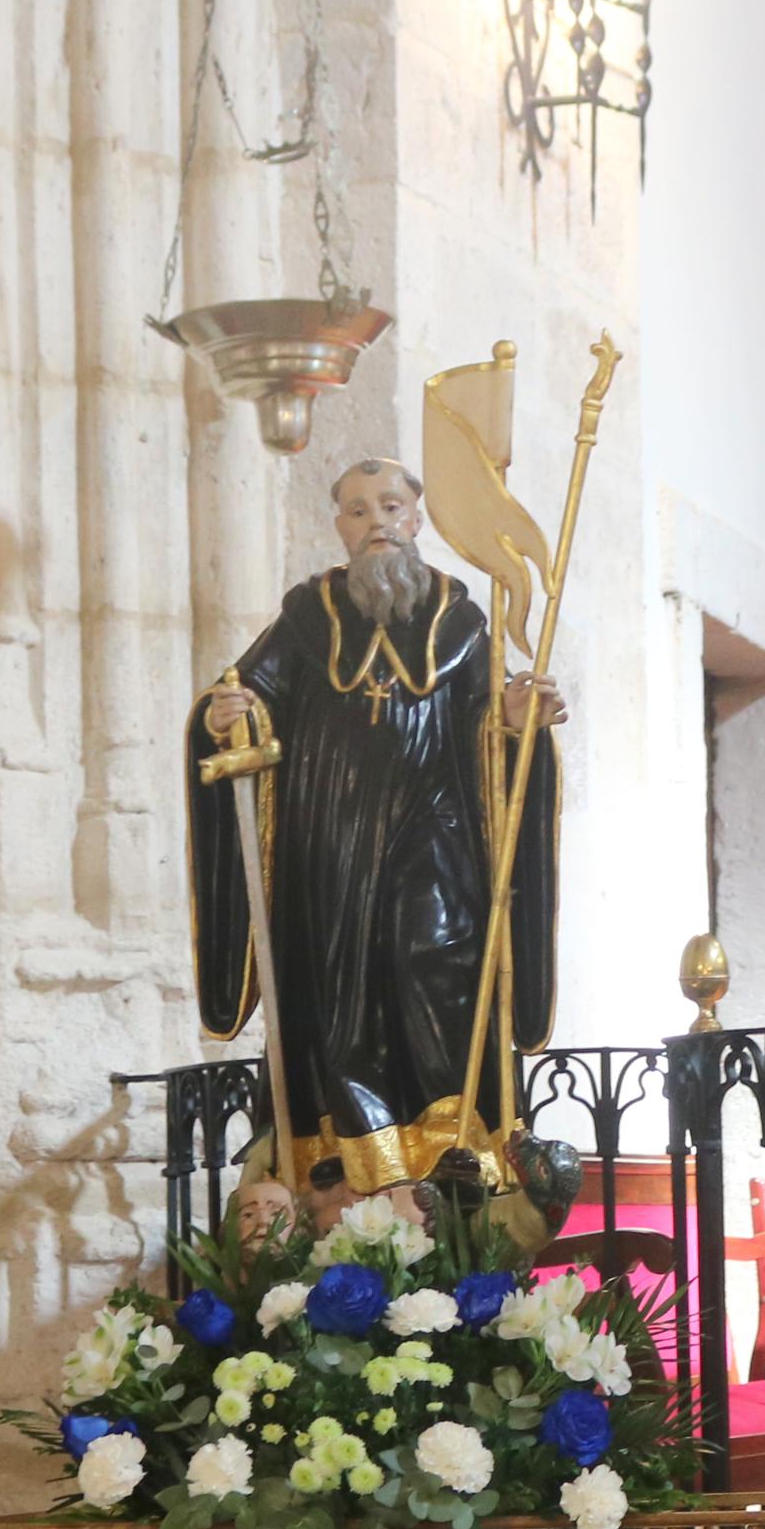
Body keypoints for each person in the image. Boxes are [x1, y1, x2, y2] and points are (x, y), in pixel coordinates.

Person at [188, 458, 563, 1199]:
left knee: (435, 956)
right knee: (337, 987)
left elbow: (484, 725)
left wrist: (514, 724)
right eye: (357, 510)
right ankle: (347, 1154)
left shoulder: (461, 616)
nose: (375, 522)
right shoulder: (306, 616)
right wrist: (225, 717)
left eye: (389, 506)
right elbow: (241, 697)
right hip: (325, 845)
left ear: (416, 520)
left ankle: (453, 1143)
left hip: (438, 836)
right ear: (339, 527)